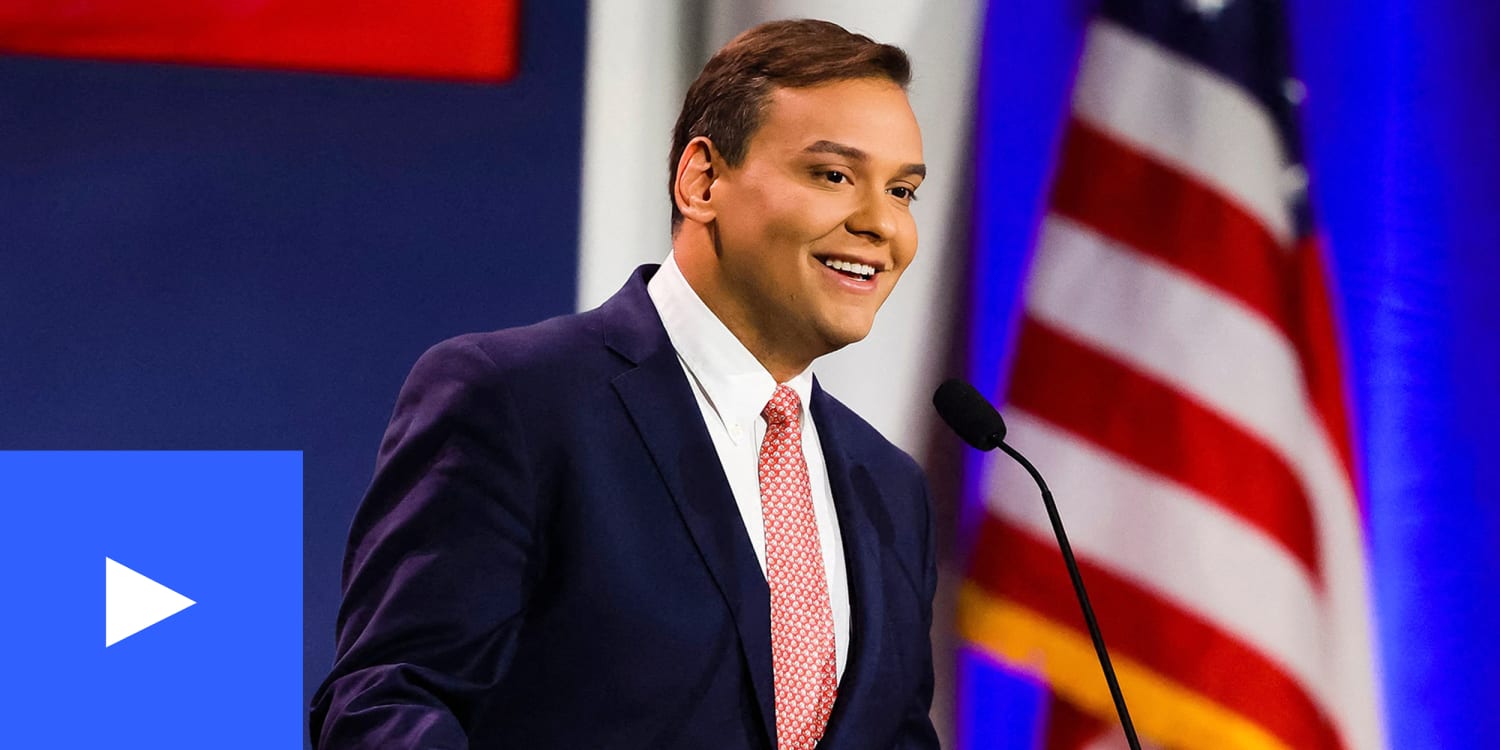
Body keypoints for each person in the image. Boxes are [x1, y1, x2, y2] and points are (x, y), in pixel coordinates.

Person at [310, 18, 938, 749]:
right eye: (833, 175)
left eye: (902, 192)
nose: (880, 224)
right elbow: (387, 702)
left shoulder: (889, 488)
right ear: (702, 180)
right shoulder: (518, 401)